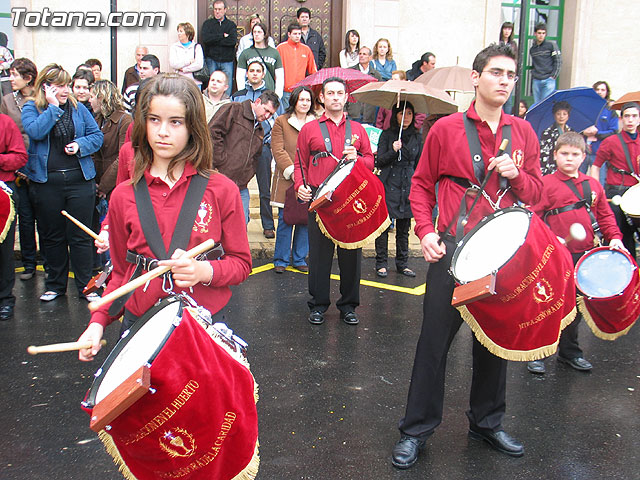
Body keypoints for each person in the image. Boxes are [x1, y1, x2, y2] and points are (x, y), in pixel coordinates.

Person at [391, 44, 543, 469]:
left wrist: (519, 176)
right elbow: (421, 185)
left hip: (503, 256)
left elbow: (538, 196)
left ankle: (487, 422)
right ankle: (415, 430)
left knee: (495, 344)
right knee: (433, 345)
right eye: (495, 72)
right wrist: (424, 232)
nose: (503, 81)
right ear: (476, 78)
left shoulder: (524, 133)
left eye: (510, 75)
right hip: (452, 250)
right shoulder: (445, 129)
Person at [76, 73, 252, 361]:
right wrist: (97, 324)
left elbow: (241, 264)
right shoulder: (123, 196)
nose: (162, 132)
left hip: (199, 323)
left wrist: (204, 272)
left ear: (193, 127)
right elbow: (121, 273)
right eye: (154, 119)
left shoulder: (222, 190)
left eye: (175, 122)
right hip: (138, 320)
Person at [526, 132, 623, 375]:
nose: (569, 159)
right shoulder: (545, 184)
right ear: (555, 155)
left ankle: (569, 352)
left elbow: (605, 216)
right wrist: (550, 237)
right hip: (554, 256)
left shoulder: (593, 185)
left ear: (583, 157)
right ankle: (539, 352)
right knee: (548, 304)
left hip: (584, 257)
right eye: (564, 154)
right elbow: (533, 219)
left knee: (576, 307)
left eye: (575, 154)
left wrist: (617, 239)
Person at [294, 77, 374, 326]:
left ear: (346, 97)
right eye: (331, 93)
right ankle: (318, 304)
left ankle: (348, 305)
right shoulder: (309, 128)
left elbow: (371, 161)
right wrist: (300, 186)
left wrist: (358, 159)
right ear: (322, 98)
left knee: (351, 254)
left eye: (340, 93)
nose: (336, 97)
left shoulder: (359, 130)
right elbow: (300, 163)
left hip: (350, 198)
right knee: (319, 256)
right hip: (320, 199)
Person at [21, 63, 104, 302]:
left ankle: (86, 288)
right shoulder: (32, 108)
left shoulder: (79, 109)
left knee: (80, 236)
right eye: (60, 86)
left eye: (67, 85)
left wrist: (80, 146)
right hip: (47, 183)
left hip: (80, 182)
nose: (66, 90)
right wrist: (54, 108)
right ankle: (55, 286)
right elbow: (35, 132)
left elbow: (96, 136)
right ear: (46, 87)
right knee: (52, 236)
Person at [209, 90, 279, 223]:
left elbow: (256, 157)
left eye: (271, 114)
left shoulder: (260, 129)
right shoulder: (234, 109)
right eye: (266, 110)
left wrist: (247, 174)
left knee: (241, 222)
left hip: (240, 185)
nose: (267, 116)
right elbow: (212, 133)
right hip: (218, 178)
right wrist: (220, 161)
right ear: (257, 102)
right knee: (215, 222)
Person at [232, 61, 283, 238]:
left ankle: (268, 224)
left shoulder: (272, 98)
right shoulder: (238, 96)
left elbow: (278, 124)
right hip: (240, 149)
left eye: (258, 71)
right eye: (251, 71)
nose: (254, 74)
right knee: (238, 185)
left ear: (263, 74)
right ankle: (238, 222)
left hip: (263, 148)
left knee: (264, 189)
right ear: (247, 74)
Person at [1, 58, 40, 280]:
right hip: (16, 166)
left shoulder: (40, 98)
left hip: (39, 162)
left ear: (28, 78)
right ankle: (28, 263)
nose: (11, 79)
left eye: (15, 74)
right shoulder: (6, 100)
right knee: (24, 217)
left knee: (44, 218)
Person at [270, 86, 315, 273]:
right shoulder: (281, 121)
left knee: (305, 220)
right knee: (285, 220)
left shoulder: (317, 123)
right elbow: (278, 150)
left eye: (308, 100)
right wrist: (294, 173)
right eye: (301, 99)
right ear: (294, 101)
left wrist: (309, 174)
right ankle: (280, 259)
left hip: (310, 178)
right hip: (287, 178)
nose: (304, 103)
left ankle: (299, 258)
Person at [374, 101, 421, 278]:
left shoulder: (417, 136)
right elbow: (379, 160)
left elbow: (419, 162)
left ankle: (402, 263)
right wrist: (393, 150)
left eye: (409, 113)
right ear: (396, 116)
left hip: (408, 184)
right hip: (389, 183)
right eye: (402, 114)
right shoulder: (387, 135)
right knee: (384, 226)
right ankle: (381, 263)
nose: (406, 117)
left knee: (404, 227)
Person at [592, 102, 640, 256]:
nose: (630, 120)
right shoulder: (611, 142)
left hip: (637, 193)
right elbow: (596, 165)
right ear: (621, 119)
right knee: (619, 236)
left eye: (634, 116)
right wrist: (596, 189)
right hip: (616, 193)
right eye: (627, 116)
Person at [0, 113, 28, 320]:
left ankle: (4, 299)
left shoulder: (5, 123)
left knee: (3, 251)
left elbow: (20, 156)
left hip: (3, 194)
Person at [89, 80, 132, 199]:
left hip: (115, 186)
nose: (89, 100)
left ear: (101, 98)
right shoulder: (97, 119)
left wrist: (104, 186)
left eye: (92, 97)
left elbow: (122, 158)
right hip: (97, 184)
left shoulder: (125, 121)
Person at [581, 80, 618, 177]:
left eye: (602, 90)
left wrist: (597, 133)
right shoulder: (585, 108)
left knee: (598, 184)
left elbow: (614, 132)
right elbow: (575, 127)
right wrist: (583, 132)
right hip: (582, 152)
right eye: (597, 89)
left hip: (599, 153)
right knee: (576, 182)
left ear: (607, 93)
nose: (599, 92)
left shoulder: (611, 111)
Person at [200, 0, 237, 97]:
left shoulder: (231, 25)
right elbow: (206, 39)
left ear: (225, 10)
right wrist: (222, 36)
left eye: (219, 9)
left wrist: (215, 39)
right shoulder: (208, 24)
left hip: (227, 61)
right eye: (215, 9)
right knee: (212, 86)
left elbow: (232, 41)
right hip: (211, 60)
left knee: (227, 87)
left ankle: (226, 106)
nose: (217, 11)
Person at [236, 22, 284, 97]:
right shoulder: (245, 53)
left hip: (269, 94)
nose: (256, 34)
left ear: (265, 34)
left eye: (259, 32)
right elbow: (240, 76)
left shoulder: (274, 53)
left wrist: (278, 95)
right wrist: (242, 94)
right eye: (254, 32)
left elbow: (280, 76)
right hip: (250, 93)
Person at [277, 22, 317, 109]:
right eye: (295, 34)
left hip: (300, 91)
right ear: (289, 34)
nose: (297, 36)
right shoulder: (280, 48)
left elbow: (313, 71)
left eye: (299, 34)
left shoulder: (306, 49)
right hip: (285, 91)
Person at [345, 47, 382, 124]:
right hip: (353, 112)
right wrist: (344, 110)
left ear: (370, 57)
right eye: (360, 54)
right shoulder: (350, 72)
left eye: (364, 54)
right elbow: (345, 91)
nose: (361, 56)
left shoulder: (376, 75)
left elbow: (379, 95)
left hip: (369, 114)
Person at [530, 23, 561, 104]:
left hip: (548, 79)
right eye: (539, 33)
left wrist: (553, 76)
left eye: (543, 33)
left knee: (546, 104)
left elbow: (558, 61)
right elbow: (534, 63)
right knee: (537, 104)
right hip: (536, 79)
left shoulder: (551, 45)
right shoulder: (532, 49)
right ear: (535, 34)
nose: (541, 35)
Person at [539, 101, 573, 175]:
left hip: (568, 168)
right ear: (554, 115)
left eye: (564, 114)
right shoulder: (547, 133)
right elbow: (544, 155)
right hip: (552, 169)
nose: (561, 117)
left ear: (568, 116)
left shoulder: (571, 132)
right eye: (558, 114)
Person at [499, 22, 518, 114]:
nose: (507, 31)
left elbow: (515, 59)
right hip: (500, 71)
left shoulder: (513, 44)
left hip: (509, 73)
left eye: (509, 29)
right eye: (505, 29)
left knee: (508, 99)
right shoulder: (499, 42)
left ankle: (507, 117)